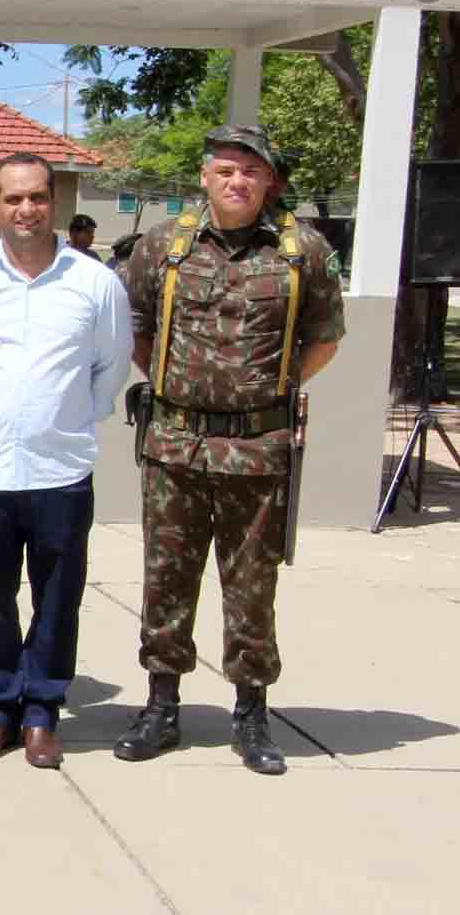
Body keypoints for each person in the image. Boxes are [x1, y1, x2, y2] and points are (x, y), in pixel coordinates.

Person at [115, 124, 344, 776]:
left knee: (251, 587)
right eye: (225, 171)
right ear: (205, 177)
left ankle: (251, 713)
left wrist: (272, 386)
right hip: (174, 444)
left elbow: (326, 337)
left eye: (250, 172)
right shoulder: (163, 245)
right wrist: (174, 388)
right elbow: (136, 328)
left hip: (257, 449)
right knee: (166, 581)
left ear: (269, 180)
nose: (237, 182)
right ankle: (161, 706)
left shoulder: (306, 253)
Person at [0, 154, 132, 768]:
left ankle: (43, 711)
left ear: (53, 203)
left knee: (57, 597)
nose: (27, 209)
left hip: (61, 470)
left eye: (38, 198)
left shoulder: (95, 283)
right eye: (14, 199)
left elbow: (110, 368)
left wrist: (64, 419)